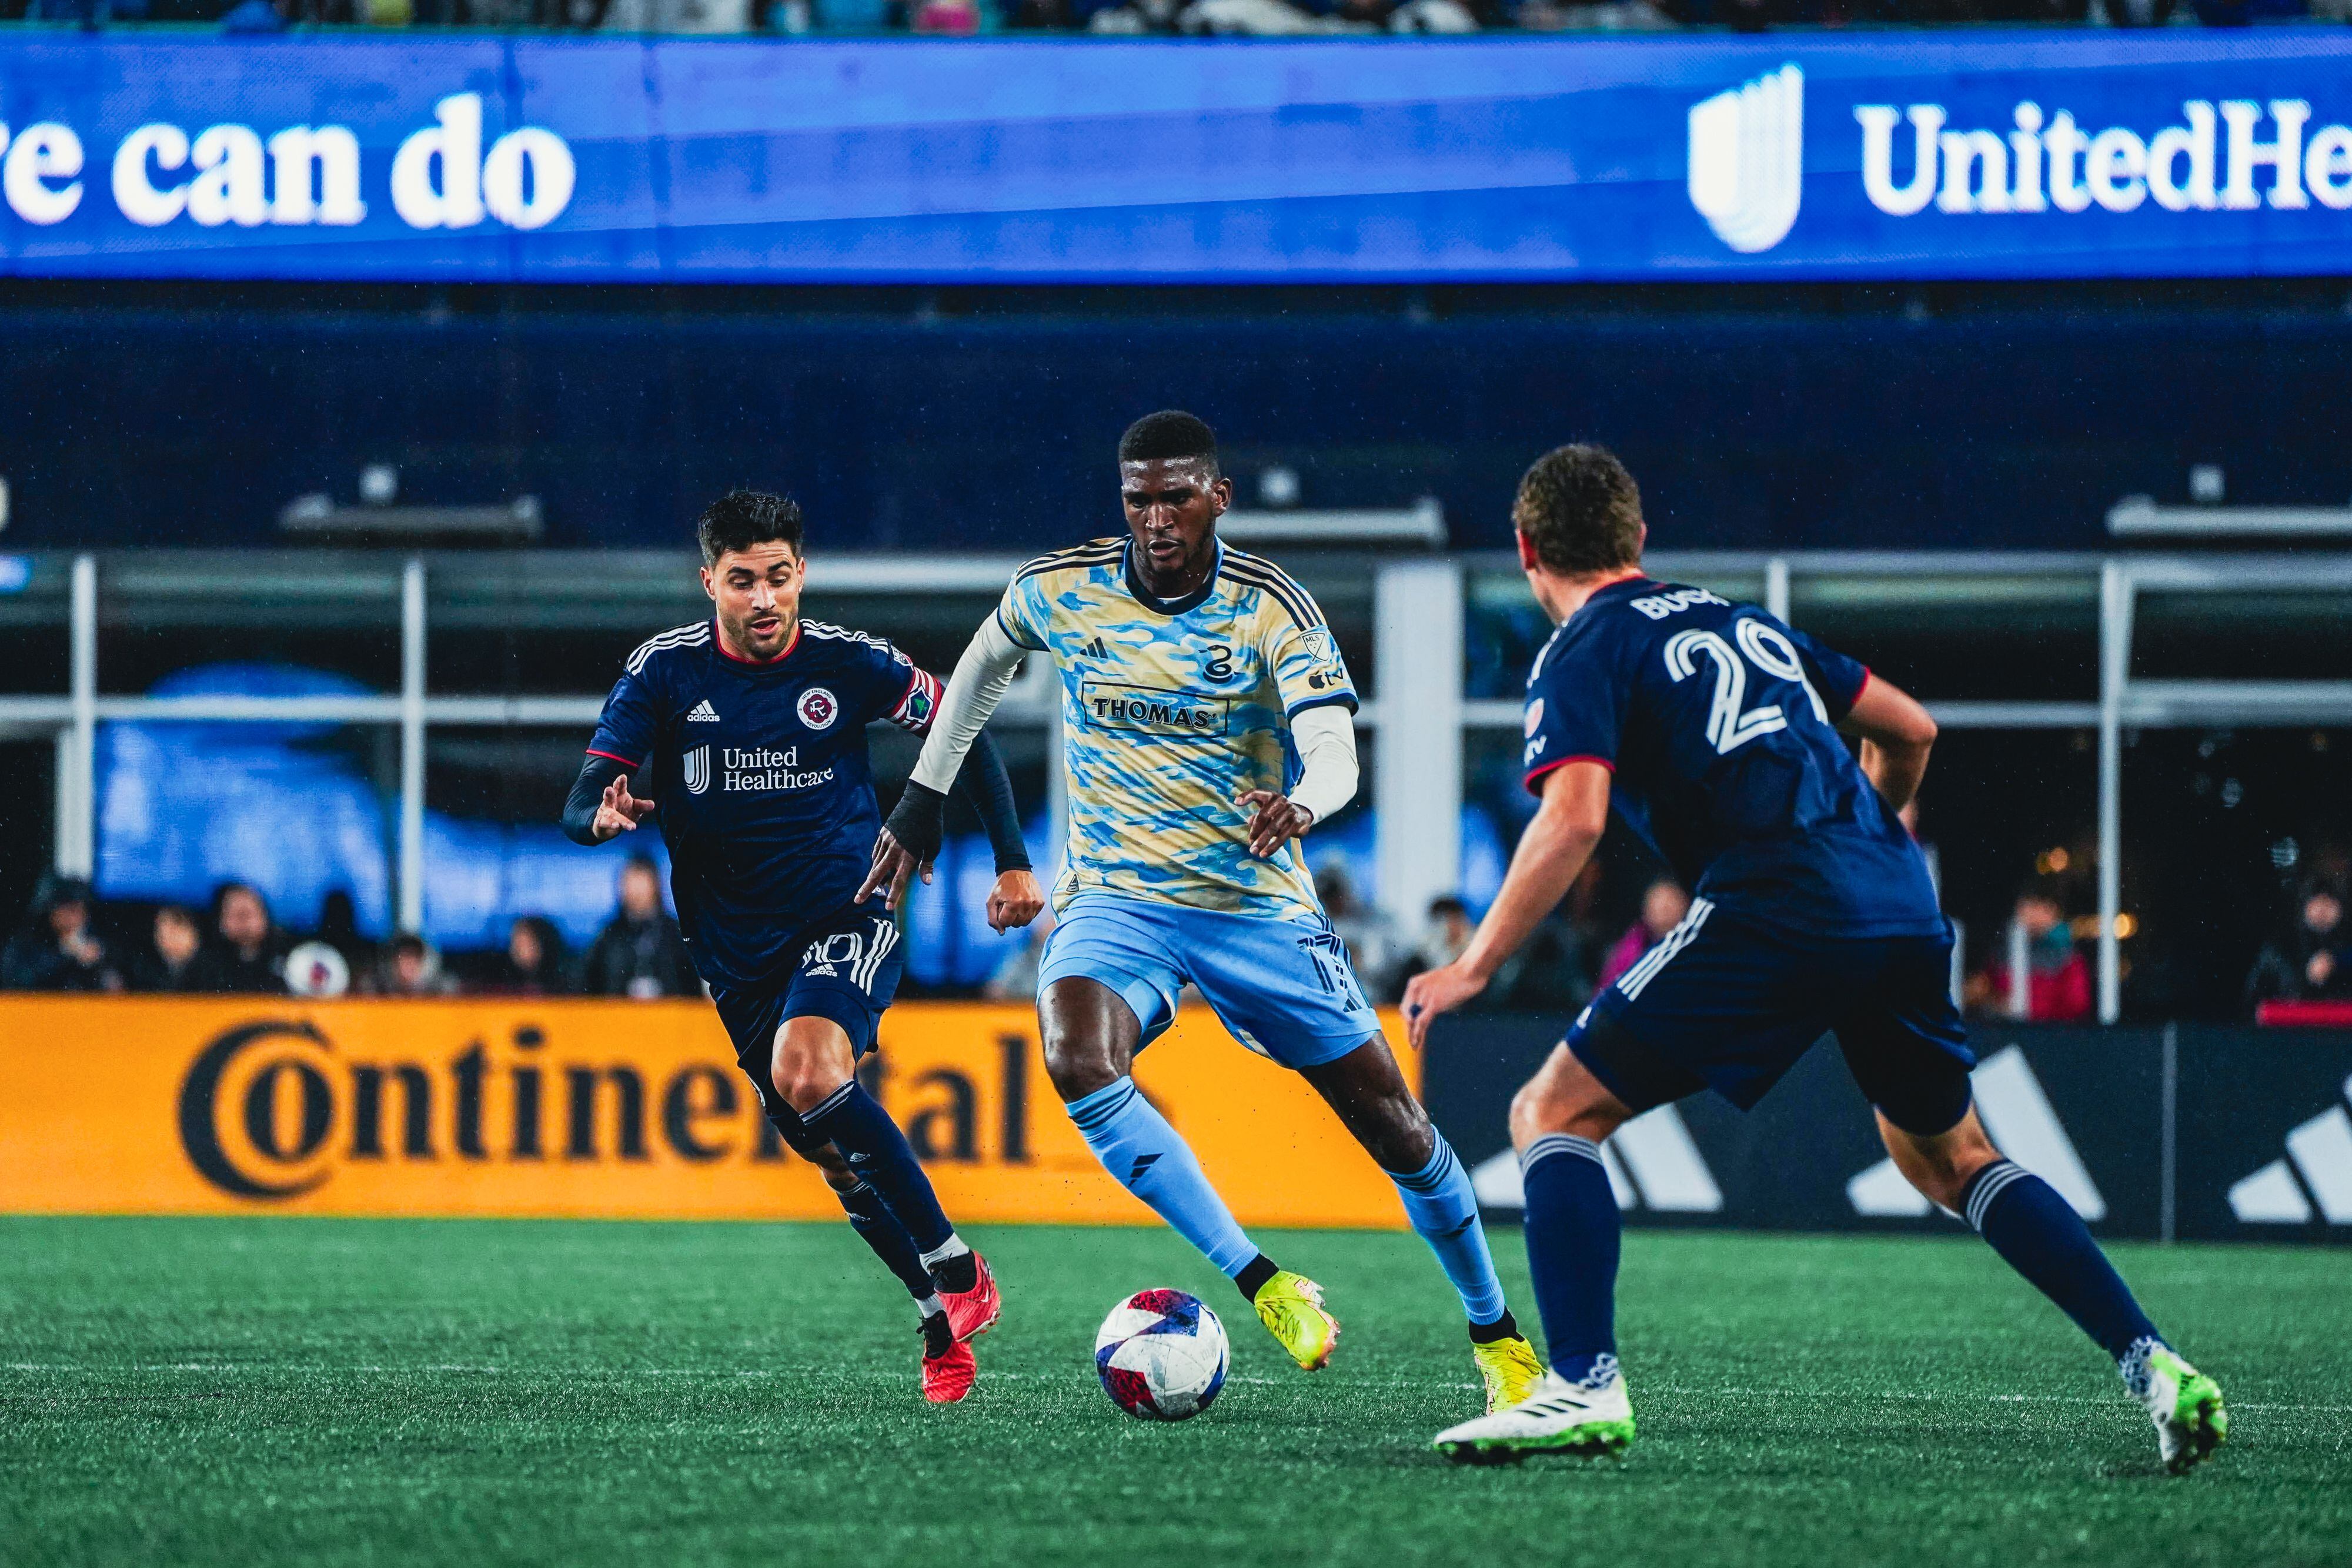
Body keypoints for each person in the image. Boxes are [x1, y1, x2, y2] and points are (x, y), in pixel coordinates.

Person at [1405, 443, 2224, 1471]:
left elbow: (1573, 817)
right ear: (1639, 538)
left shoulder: (1582, 648)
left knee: (1552, 1112)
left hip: (1776, 897)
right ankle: (2156, 1366)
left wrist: (1475, 962)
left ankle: (1580, 1385)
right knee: (1950, 1156)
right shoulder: (1740, 619)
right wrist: (1863, 831)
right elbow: (1911, 728)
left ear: (1528, 551)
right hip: (1895, 892)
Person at [864, 410, 1542, 1417]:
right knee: (1076, 1057)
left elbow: (1337, 746)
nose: (1155, 517)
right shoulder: (1060, 588)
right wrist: (923, 796)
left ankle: (1498, 1335)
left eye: (1176, 495)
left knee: (1396, 1126)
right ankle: (1265, 1281)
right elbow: (979, 667)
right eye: (1137, 497)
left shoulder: (1271, 608)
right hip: (1118, 897)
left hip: (1251, 903)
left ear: (1217, 496)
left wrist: (1308, 801)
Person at [562, 487, 1038, 1405]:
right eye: (743, 580)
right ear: (711, 582)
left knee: (813, 1072)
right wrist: (602, 816)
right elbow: (582, 799)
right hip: (731, 951)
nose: (766, 598)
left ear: (802, 573)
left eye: (781, 576)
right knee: (825, 1148)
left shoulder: (849, 663)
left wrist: (1014, 863)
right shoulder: (663, 673)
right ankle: (936, 1312)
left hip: (849, 912)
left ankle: (958, 1266)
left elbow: (961, 725)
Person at [1970, 885, 2093, 1022]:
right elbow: (1985, 994)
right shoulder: (2001, 954)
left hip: (2050, 1036)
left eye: (2040, 906)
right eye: (2027, 905)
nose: (2031, 913)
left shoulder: (2069, 959)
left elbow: (2077, 1006)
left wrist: (2029, 1011)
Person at [581, 856, 697, 999]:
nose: (636, 891)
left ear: (656, 885)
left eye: (642, 882)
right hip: (617, 1016)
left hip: (674, 1015)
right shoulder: (608, 936)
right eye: (630, 883)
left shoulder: (676, 934)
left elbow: (693, 984)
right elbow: (588, 984)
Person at [1, 874, 121, 992]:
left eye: (76, 910)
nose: (71, 918)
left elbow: (121, 982)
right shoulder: (29, 942)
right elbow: (17, 982)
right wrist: (65, 955)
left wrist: (98, 964)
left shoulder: (100, 941)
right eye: (64, 910)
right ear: (52, 912)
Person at [2245, 882, 2351, 1009]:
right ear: (2305, 905)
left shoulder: (2345, 946)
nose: (2322, 911)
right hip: (2285, 1024)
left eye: (2329, 904)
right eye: (2316, 902)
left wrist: (2337, 960)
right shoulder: (2279, 947)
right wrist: (2304, 974)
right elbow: (2255, 1000)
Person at [1594, 877, 1690, 992]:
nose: (1665, 910)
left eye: (1671, 902)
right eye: (1658, 904)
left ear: (1686, 904)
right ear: (1646, 912)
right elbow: (1606, 989)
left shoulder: (1696, 943)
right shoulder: (1632, 948)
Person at [205, 882, 286, 994]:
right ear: (219, 920)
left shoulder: (290, 956)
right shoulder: (206, 965)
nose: (244, 922)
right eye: (235, 914)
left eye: (248, 913)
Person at [487, 914, 573, 995]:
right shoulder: (501, 983)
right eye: (515, 942)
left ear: (544, 944)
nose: (517, 950)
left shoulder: (568, 986)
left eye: (525, 943)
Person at [131, 903, 209, 993]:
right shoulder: (144, 973)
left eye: (178, 925)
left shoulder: (213, 974)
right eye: (161, 929)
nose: (169, 937)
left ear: (195, 931)